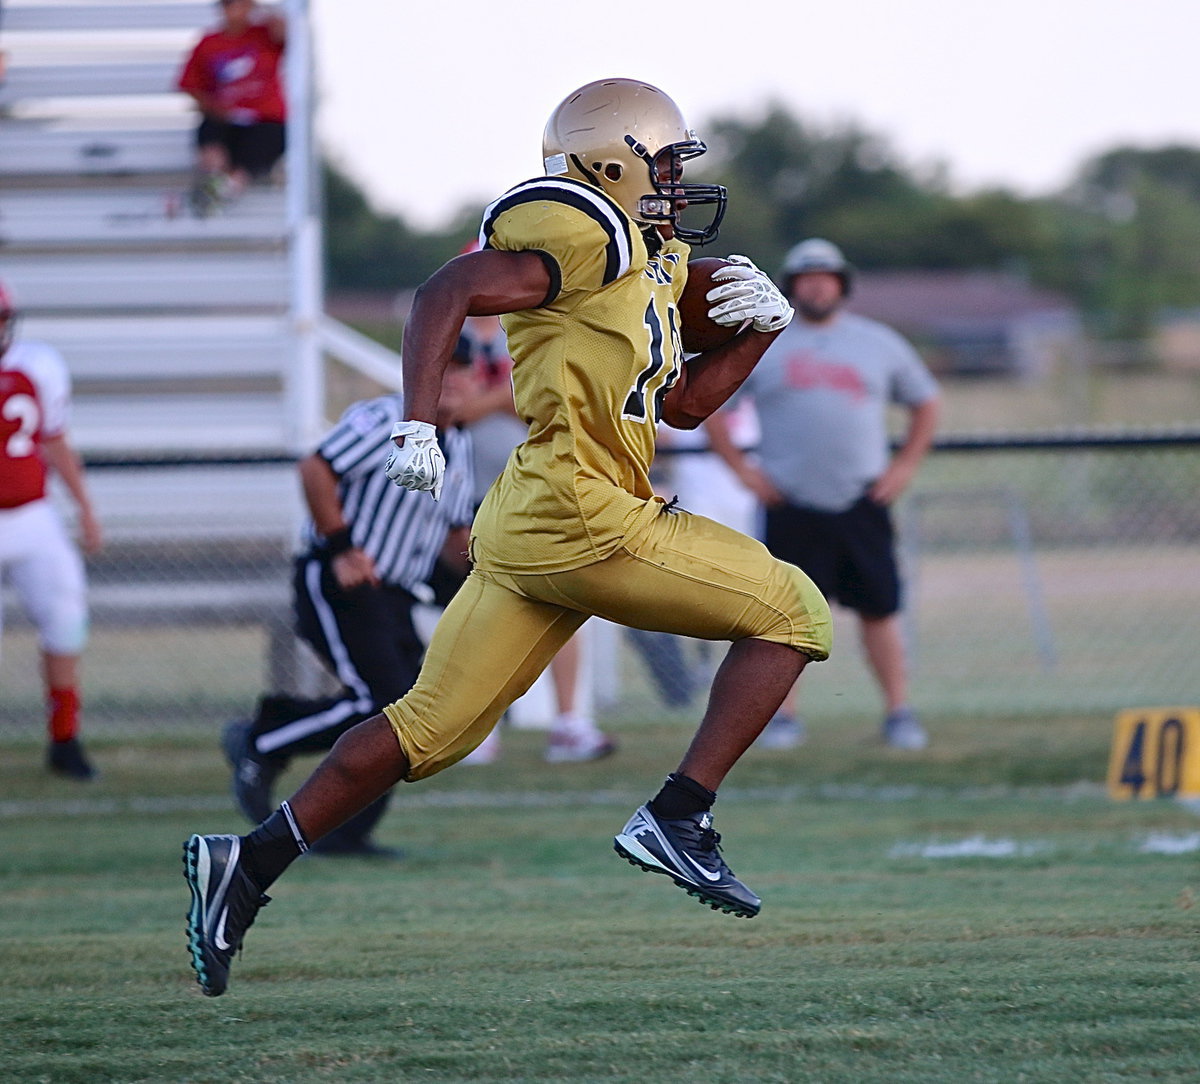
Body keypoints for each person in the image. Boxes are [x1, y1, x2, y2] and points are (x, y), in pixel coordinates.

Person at [182, 77, 832, 998]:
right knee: (793, 610)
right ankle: (678, 816)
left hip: (535, 517)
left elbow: (680, 403)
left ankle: (240, 868)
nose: (679, 181)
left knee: (426, 733)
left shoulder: (646, 255)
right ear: (613, 161)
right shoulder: (584, 223)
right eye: (666, 161)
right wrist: (416, 420)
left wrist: (763, 329)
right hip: (579, 507)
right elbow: (445, 288)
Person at [221, 351, 480, 856]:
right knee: (383, 706)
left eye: (461, 367)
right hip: (342, 579)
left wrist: (498, 573)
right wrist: (341, 546)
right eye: (441, 365)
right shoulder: (389, 420)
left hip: (396, 595)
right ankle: (262, 739)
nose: (451, 379)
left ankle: (347, 832)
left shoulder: (461, 444)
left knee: (409, 713)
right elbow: (316, 468)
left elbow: (453, 535)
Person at [708, 238, 941, 751]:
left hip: (862, 501)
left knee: (880, 609)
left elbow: (926, 402)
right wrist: (745, 473)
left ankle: (899, 712)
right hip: (789, 502)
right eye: (807, 278)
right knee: (784, 618)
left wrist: (903, 468)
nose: (817, 286)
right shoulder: (764, 341)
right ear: (791, 287)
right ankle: (782, 718)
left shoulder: (878, 342)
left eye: (827, 277)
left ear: (842, 284)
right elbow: (713, 404)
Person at [451, 315, 616, 765]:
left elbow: (555, 401)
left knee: (564, 601)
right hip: (469, 492)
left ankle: (568, 720)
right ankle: (477, 724)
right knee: (483, 609)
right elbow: (456, 408)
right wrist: (506, 397)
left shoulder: (536, 324)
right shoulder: (451, 335)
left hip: (538, 486)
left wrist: (503, 399)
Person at [0, 281, 102, 780]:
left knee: (66, 616)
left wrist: (84, 507)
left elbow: (55, 439)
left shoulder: (37, 364)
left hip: (32, 514)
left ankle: (65, 739)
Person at [176, 0, 286, 215]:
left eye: (239, 4)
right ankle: (215, 178)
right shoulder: (209, 43)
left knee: (269, 138)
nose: (232, 11)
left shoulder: (264, 35)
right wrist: (214, 107)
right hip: (226, 119)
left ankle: (228, 187)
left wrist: (263, 9)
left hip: (264, 121)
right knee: (210, 128)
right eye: (227, 5)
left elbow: (288, 33)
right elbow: (190, 86)